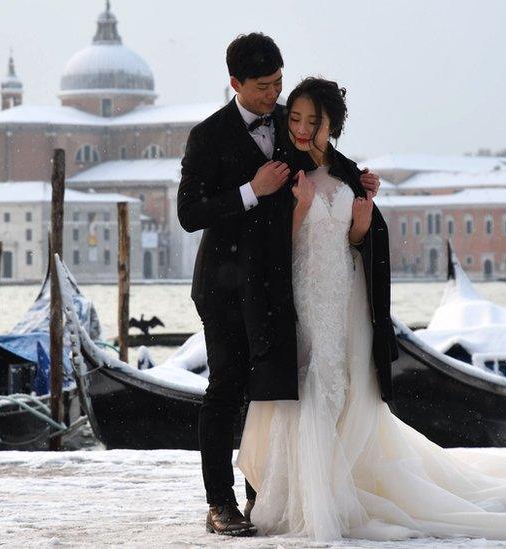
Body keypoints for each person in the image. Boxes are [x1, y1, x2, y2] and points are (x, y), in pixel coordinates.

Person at [236, 77, 506, 542]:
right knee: (310, 384)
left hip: (344, 296)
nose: (300, 129)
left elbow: (358, 244)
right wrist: (299, 208)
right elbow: (274, 249)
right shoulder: (282, 173)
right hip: (300, 294)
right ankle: (303, 495)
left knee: (342, 387)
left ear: (332, 125)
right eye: (294, 118)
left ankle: (340, 485)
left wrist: (359, 226)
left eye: (313, 121)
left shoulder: (351, 173)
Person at [177, 35, 382, 537]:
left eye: (279, 83)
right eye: (264, 87)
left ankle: (264, 498)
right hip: (224, 284)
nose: (275, 95)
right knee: (226, 387)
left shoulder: (292, 119)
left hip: (276, 284)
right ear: (235, 84)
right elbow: (189, 214)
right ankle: (220, 502)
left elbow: (327, 155)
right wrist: (253, 190)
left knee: (270, 393)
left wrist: (361, 181)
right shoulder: (207, 136)